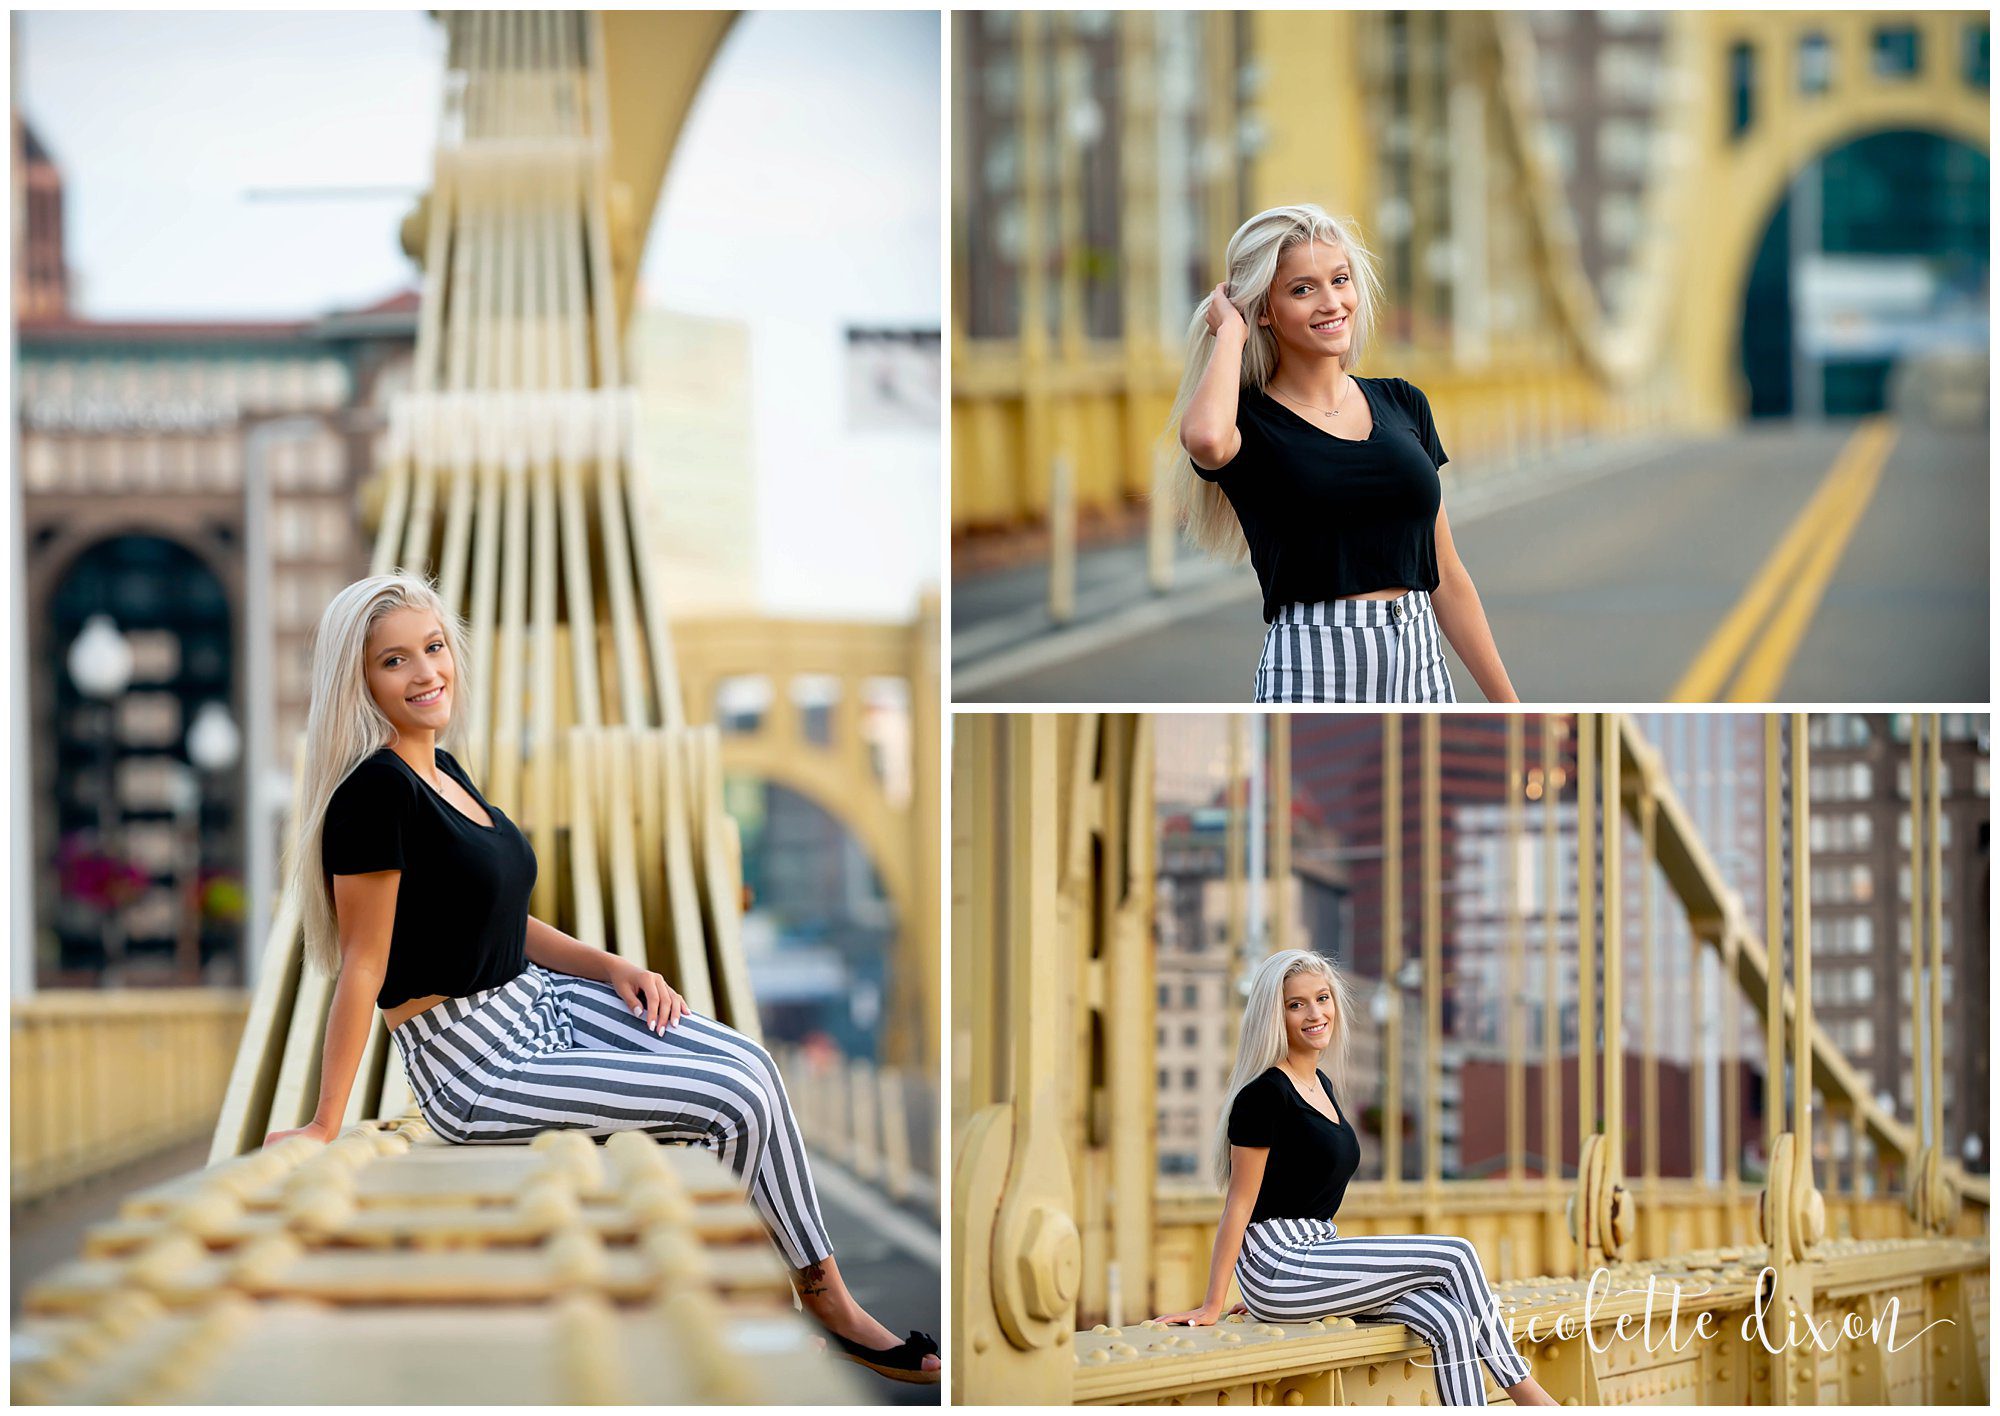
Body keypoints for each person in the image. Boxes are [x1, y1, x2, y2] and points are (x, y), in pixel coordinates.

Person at [263, 573, 938, 1384]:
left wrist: (616, 965)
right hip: (478, 1062)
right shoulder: (374, 795)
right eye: (394, 662)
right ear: (359, 682)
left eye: (434, 649)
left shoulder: (444, 771)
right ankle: (808, 1308)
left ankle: (776, 1298)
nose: (425, 674)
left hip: (543, 1001)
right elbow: (363, 965)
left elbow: (503, 920)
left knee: (750, 1065)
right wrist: (324, 1120)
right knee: (725, 1102)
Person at [1156, 950, 1554, 1407]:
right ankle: (1534, 1401)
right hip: (1279, 1263)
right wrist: (1221, 1300)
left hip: (1318, 1253)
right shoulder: (1263, 1095)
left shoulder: (1321, 1085)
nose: (1315, 1013)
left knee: (1450, 1319)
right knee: (1455, 1253)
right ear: (1274, 1015)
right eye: (1296, 1004)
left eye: (1322, 998)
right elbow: (1239, 1205)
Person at [1165, 204, 1520, 704]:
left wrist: (1510, 706)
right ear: (1263, 310)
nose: (1332, 302)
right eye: (1302, 289)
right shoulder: (1249, 423)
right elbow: (1204, 440)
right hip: (1314, 666)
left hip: (1421, 660)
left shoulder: (1403, 402)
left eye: (1340, 279)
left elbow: (1447, 573)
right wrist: (1229, 332)